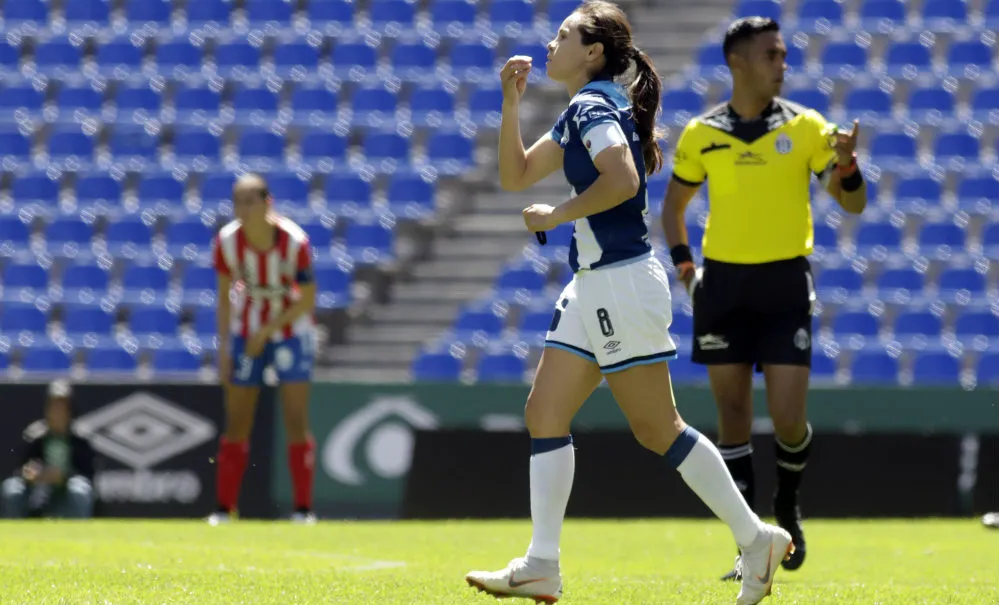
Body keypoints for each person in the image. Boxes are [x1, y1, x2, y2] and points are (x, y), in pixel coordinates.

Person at [464, 3, 793, 604]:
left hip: (617, 281)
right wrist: (511, 101)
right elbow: (515, 177)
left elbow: (623, 180)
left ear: (593, 52)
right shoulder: (586, 105)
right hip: (595, 282)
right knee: (545, 415)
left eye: (564, 34)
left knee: (656, 428)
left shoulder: (591, 105)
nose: (552, 41)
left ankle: (756, 538)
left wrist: (557, 214)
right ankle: (542, 564)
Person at [661, 17, 868, 580]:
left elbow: (853, 205)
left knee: (787, 419)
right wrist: (688, 272)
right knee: (731, 416)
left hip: (783, 284)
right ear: (738, 62)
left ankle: (788, 506)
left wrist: (847, 165)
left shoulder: (807, 128)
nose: (783, 63)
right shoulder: (701, 133)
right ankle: (750, 538)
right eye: (772, 54)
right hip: (722, 287)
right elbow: (673, 208)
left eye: (783, 54)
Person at [207, 173, 318, 525]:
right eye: (237, 201)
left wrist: (268, 330)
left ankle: (302, 509)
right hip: (246, 330)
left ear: (267, 203)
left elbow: (308, 299)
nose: (242, 208)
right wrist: (225, 347)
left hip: (290, 331)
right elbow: (224, 297)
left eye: (249, 200)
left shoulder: (294, 241)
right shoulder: (227, 242)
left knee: (295, 418)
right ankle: (225, 508)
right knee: (238, 419)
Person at [1, 380, 96, 519]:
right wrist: (31, 474)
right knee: (11, 489)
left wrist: (64, 477)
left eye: (62, 407)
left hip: (67, 492)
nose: (57, 412)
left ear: (69, 411)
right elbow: (21, 469)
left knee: (80, 491)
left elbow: (89, 475)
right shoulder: (34, 436)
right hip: (37, 491)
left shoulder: (80, 439)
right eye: (54, 407)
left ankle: (78, 536)